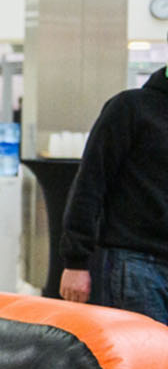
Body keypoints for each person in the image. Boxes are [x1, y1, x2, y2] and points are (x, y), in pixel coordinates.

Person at [58, 66, 168, 323]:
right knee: (143, 349)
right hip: (136, 265)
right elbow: (90, 183)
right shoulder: (130, 108)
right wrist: (76, 262)